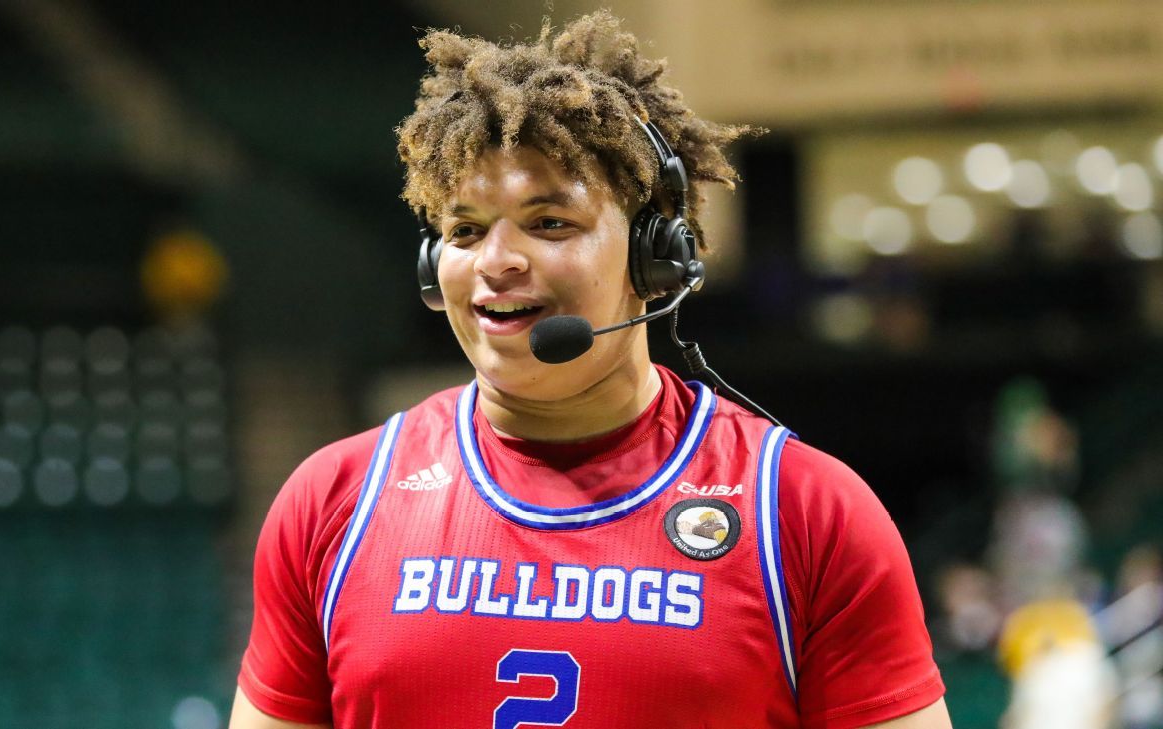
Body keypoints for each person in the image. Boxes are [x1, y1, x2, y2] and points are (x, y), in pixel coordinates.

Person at [231, 11, 950, 729]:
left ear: (654, 256)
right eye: (465, 229)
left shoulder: (807, 513)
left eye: (549, 224)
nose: (496, 262)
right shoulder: (333, 503)